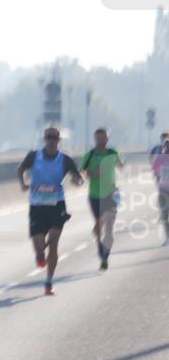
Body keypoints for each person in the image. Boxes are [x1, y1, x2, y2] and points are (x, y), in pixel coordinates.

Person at [17, 126, 84, 295]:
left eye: (55, 138)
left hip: (57, 205)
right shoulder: (34, 156)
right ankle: (40, 254)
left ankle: (48, 282)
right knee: (39, 243)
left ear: (59, 140)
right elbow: (20, 169)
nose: (52, 140)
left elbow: (78, 178)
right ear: (45, 139)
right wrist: (23, 183)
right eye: (49, 137)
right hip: (37, 205)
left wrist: (77, 181)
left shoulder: (65, 160)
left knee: (54, 242)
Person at [80, 128, 124, 270]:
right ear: (95, 139)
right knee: (99, 223)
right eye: (98, 138)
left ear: (107, 139)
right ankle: (99, 244)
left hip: (110, 194)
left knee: (109, 225)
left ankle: (105, 255)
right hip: (94, 194)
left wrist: (121, 166)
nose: (101, 140)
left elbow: (121, 166)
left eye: (103, 138)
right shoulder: (89, 155)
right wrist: (93, 173)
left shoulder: (113, 152)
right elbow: (83, 173)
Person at [153, 138, 169, 246]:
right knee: (164, 215)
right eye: (166, 146)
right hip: (163, 190)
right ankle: (168, 237)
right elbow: (155, 172)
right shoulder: (159, 158)